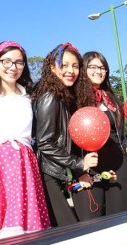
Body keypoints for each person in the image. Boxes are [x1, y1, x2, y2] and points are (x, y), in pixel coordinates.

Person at [0, 41, 51, 239]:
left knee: (31, 227)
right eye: (7, 61)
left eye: (19, 63)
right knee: (3, 228)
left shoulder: (29, 95)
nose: (13, 67)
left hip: (26, 163)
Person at [31, 42, 98, 227]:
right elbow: (45, 143)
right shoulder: (49, 96)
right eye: (65, 65)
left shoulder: (63, 97)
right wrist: (79, 163)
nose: (71, 71)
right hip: (47, 174)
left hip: (55, 172)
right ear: (52, 67)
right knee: (68, 228)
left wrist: (79, 171)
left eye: (75, 66)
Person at [71, 51, 127, 221]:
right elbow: (68, 141)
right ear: (83, 69)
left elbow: (120, 135)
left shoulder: (112, 100)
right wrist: (78, 170)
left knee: (119, 222)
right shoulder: (73, 99)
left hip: (119, 167)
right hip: (88, 170)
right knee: (90, 225)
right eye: (93, 67)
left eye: (102, 68)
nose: (99, 71)